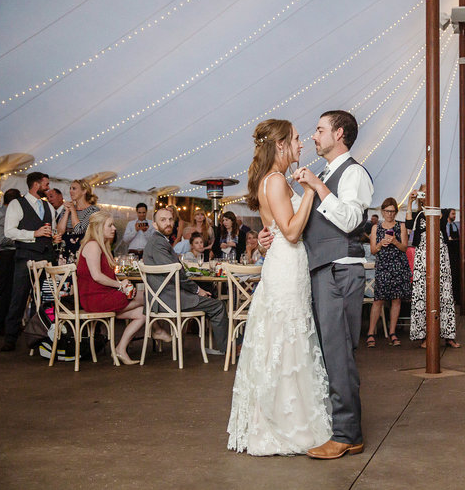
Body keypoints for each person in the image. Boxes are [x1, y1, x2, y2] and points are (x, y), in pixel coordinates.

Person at [256, 111, 374, 459]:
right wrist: (270, 236)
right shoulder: (325, 173)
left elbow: (352, 220)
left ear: (339, 134)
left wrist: (318, 188)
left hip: (340, 269)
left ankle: (347, 434)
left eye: (320, 130)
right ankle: (340, 428)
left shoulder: (352, 173)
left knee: (339, 353)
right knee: (329, 353)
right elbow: (299, 223)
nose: (313, 137)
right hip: (319, 269)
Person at [227, 119, 332, 457]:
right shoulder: (274, 181)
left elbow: (274, 230)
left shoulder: (274, 180)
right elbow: (289, 232)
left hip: (286, 266)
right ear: (282, 144)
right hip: (286, 267)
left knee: (287, 338)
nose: (303, 144)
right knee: (286, 339)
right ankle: (285, 424)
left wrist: (262, 239)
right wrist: (311, 192)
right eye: (298, 139)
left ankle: (289, 416)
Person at [75, 211, 165, 365]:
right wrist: (120, 285)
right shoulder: (92, 245)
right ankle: (157, 331)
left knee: (143, 314)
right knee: (147, 296)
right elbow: (96, 276)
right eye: (110, 225)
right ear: (98, 227)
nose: (114, 228)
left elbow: (109, 275)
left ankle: (120, 349)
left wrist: (122, 283)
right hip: (94, 298)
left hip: (103, 295)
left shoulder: (102, 246)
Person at [143, 208, 229, 354]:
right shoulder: (158, 243)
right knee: (218, 305)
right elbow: (175, 273)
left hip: (166, 296)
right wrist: (197, 290)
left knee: (210, 298)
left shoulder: (158, 241)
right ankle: (227, 350)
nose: (168, 223)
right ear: (155, 225)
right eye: (163, 220)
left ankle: (216, 345)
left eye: (170, 219)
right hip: (169, 299)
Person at [1, 172, 60, 352]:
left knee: (43, 299)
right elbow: (9, 232)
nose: (48, 188)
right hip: (25, 257)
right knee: (19, 298)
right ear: (36, 185)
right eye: (46, 185)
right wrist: (33, 234)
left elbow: (52, 229)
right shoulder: (16, 204)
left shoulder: (47, 207)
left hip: (47, 257)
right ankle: (10, 338)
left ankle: (38, 337)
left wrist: (54, 237)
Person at [406, 186, 459, 349]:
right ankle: (425, 335)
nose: (425, 195)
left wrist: (430, 203)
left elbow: (442, 220)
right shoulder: (417, 215)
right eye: (424, 193)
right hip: (423, 254)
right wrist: (410, 202)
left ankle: (448, 335)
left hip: (440, 253)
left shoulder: (440, 211)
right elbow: (408, 224)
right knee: (424, 292)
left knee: (444, 292)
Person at [366, 198, 410, 348]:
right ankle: (371, 333)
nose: (389, 214)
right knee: (378, 300)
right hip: (383, 266)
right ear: (382, 211)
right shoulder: (375, 228)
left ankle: (392, 332)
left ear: (396, 212)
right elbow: (372, 250)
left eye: (392, 211)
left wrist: (395, 242)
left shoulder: (401, 226)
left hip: (398, 265)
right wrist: (380, 243)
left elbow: (405, 248)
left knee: (396, 300)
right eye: (387, 211)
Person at [0, 188, 21, 336]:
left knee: (4, 291)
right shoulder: (4, 214)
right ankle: (3, 325)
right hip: (6, 255)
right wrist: (20, 238)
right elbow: (2, 240)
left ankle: (3, 324)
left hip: (2, 256)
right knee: (6, 292)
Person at [56, 179, 100, 259]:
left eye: (74, 188)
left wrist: (73, 210)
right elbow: (59, 232)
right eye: (70, 188)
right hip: (65, 250)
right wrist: (67, 212)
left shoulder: (93, 210)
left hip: (82, 250)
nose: (70, 191)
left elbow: (79, 230)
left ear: (84, 191)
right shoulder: (68, 208)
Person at [441, 208, 460, 303]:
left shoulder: (455, 225)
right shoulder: (444, 226)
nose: (454, 215)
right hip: (447, 251)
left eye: (455, 214)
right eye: (452, 214)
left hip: (455, 253)